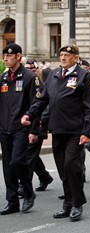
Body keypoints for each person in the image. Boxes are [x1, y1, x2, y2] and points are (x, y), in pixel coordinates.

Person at [21, 44, 90, 221]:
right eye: (61, 54)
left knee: (71, 166)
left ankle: (77, 204)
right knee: (62, 168)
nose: (63, 57)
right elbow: (41, 99)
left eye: (67, 55)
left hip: (75, 130)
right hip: (58, 129)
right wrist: (30, 114)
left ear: (75, 58)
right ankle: (68, 204)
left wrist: (88, 131)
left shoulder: (84, 76)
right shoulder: (54, 75)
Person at [0, 44, 38, 215]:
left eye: (9, 56)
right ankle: (12, 201)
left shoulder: (29, 77)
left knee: (17, 161)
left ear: (18, 56)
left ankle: (28, 192)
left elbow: (37, 102)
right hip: (4, 128)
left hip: (21, 127)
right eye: (4, 57)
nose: (5, 59)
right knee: (8, 167)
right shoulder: (4, 77)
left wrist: (33, 128)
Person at [24, 59, 54, 192]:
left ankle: (23, 186)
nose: (31, 72)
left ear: (38, 71)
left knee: (30, 155)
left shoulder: (41, 85)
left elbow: (45, 105)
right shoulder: (22, 83)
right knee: (29, 154)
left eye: (33, 70)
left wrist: (41, 121)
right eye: (28, 69)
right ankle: (44, 176)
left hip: (38, 124)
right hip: (25, 124)